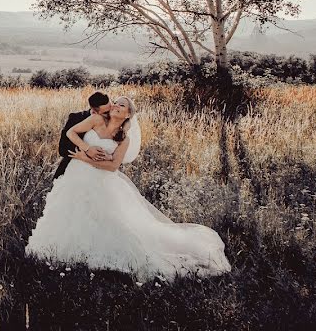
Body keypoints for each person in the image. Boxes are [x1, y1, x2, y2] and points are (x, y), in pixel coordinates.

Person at [26, 95, 231, 281]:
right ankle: (60, 251)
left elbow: (113, 166)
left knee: (103, 219)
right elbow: (71, 132)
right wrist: (87, 149)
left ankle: (98, 253)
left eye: (121, 105)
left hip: (101, 181)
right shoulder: (97, 120)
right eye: (115, 102)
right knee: (69, 213)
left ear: (128, 114)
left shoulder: (124, 139)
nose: (115, 105)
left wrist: (84, 158)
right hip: (75, 177)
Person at [53, 91, 112, 179]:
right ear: (94, 112)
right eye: (106, 112)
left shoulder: (113, 122)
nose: (110, 114)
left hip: (102, 173)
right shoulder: (76, 118)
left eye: (111, 109)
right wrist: (87, 150)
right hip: (73, 171)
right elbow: (63, 149)